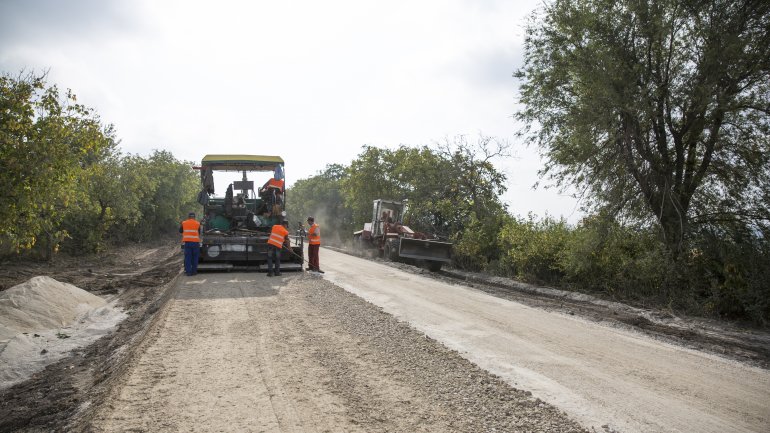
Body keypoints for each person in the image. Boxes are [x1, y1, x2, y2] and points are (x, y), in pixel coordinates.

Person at [179, 212, 201, 276]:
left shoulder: (184, 223)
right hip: (195, 243)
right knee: (195, 258)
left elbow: (180, 231)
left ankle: (188, 272)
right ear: (194, 217)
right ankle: (194, 272)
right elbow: (199, 233)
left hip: (188, 243)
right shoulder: (197, 223)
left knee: (188, 258)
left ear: (188, 217)